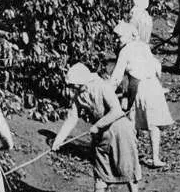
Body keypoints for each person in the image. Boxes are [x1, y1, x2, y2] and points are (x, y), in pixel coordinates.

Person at [52, 63, 141, 192]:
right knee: (100, 174)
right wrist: (59, 140)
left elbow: (116, 111)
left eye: (77, 84)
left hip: (120, 131)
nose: (75, 87)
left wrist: (98, 125)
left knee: (127, 170)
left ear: (84, 80)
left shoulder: (102, 86)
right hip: (101, 136)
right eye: (73, 85)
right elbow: (71, 118)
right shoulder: (79, 95)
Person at [110, 22, 173, 168]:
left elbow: (116, 77)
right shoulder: (143, 46)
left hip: (140, 88)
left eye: (119, 37)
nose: (117, 40)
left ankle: (130, 156)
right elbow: (156, 66)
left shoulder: (125, 51)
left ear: (128, 35)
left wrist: (107, 91)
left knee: (132, 121)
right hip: (154, 87)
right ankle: (155, 158)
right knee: (153, 123)